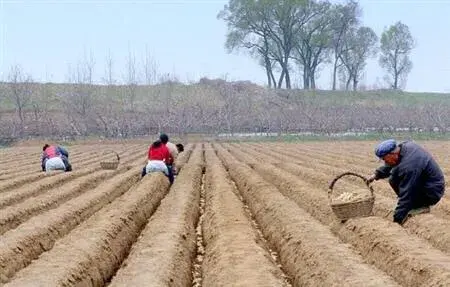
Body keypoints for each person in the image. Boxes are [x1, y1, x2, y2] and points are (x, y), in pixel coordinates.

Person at [367, 139, 445, 225]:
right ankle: (413, 204)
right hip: (425, 180)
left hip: (432, 190)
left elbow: (407, 192)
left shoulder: (409, 167)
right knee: (394, 177)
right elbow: (392, 163)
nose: (385, 162)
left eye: (385, 159)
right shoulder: (403, 148)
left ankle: (420, 205)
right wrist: (376, 174)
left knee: (402, 186)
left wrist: (397, 218)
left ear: (391, 154)